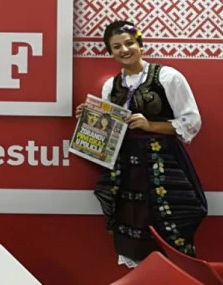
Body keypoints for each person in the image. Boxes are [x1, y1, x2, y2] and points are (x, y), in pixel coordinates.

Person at [77, 20, 207, 268]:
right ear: (110, 52)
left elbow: (191, 121)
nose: (124, 50)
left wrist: (151, 125)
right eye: (117, 46)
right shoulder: (111, 86)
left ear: (140, 45)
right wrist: (90, 118)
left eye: (129, 43)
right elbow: (108, 132)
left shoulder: (168, 77)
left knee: (169, 221)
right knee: (131, 222)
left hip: (163, 164)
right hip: (126, 168)